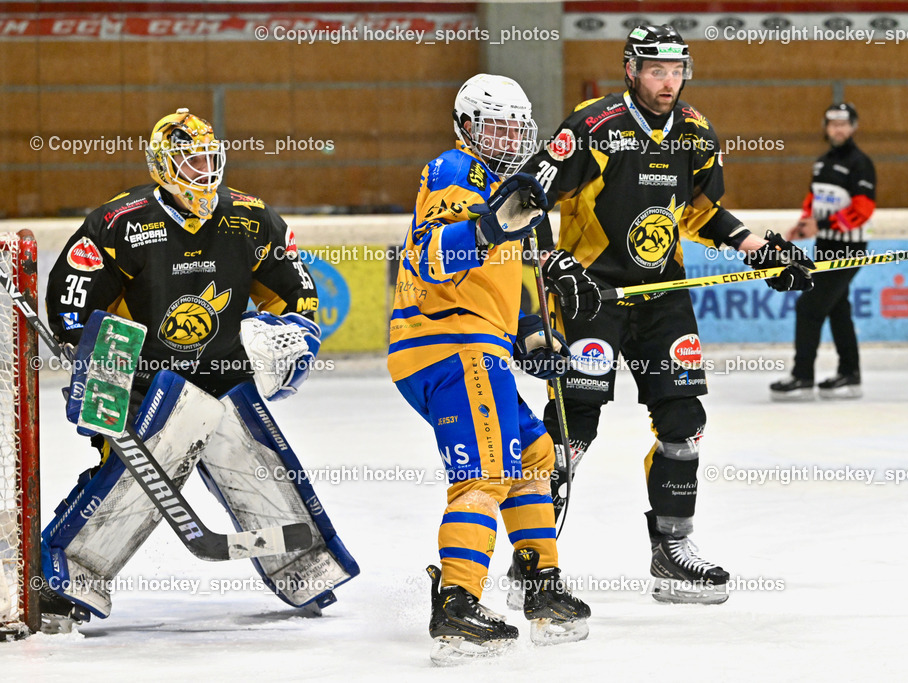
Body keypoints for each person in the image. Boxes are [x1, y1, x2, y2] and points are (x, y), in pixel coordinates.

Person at [522, 25, 814, 605]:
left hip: (664, 297)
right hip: (592, 297)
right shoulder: (590, 126)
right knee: (572, 429)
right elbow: (527, 200)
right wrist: (551, 264)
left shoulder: (697, 134)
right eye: (656, 70)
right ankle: (533, 559)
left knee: (685, 421)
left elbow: (702, 213)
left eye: (677, 70)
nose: (668, 81)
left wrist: (758, 249)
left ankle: (672, 551)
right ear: (630, 69)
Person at [40, 108, 359, 631]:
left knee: (257, 462)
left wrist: (294, 338)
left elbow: (295, 293)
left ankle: (305, 567)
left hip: (222, 371)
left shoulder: (250, 219)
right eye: (190, 162)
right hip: (141, 378)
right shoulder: (118, 223)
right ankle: (62, 579)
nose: (203, 172)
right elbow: (75, 312)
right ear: (163, 165)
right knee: (132, 480)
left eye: (210, 160)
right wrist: (103, 372)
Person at [388, 74, 590, 664]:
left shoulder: (510, 193)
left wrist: (536, 336)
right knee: (484, 472)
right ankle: (456, 602)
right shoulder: (459, 171)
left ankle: (540, 584)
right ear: (467, 127)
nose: (506, 138)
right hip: (448, 343)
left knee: (534, 457)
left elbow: (505, 290)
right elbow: (432, 261)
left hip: (480, 346)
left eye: (515, 127)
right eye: (494, 125)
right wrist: (495, 223)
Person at [771, 103, 876, 400]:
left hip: (849, 247)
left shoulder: (860, 163)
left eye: (844, 124)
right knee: (837, 308)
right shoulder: (821, 163)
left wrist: (824, 224)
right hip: (825, 246)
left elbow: (863, 209)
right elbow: (812, 199)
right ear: (826, 127)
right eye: (833, 124)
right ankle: (850, 375)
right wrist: (802, 226)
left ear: (853, 126)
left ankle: (802, 378)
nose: (838, 129)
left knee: (810, 306)